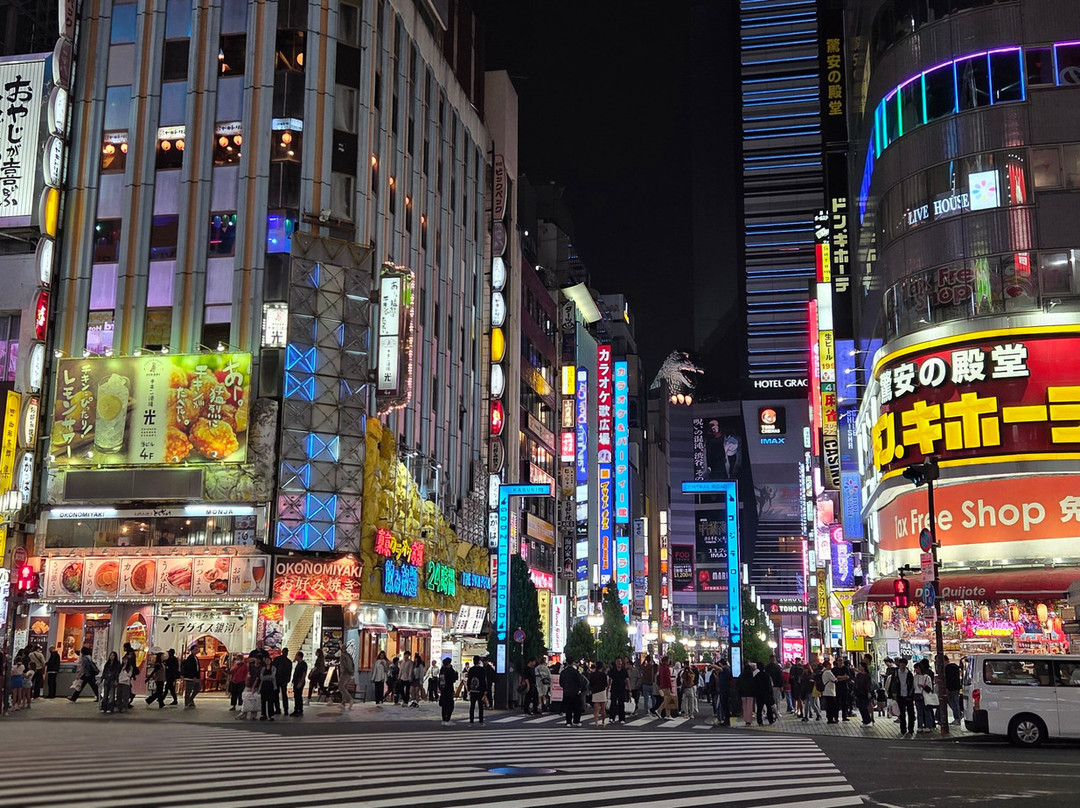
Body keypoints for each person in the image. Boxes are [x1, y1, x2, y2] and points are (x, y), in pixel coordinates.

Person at [888, 657, 917, 737]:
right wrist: (893, 695)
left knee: (911, 713)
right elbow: (893, 684)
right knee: (902, 713)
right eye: (901, 664)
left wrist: (911, 695)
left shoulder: (909, 674)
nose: (902, 665)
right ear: (899, 664)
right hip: (900, 696)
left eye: (904, 664)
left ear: (906, 664)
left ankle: (911, 729)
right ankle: (903, 729)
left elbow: (912, 685)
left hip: (908, 696)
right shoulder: (896, 673)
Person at [915, 659, 937, 732]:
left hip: (925, 696)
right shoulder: (914, 677)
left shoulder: (927, 677)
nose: (916, 670)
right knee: (919, 712)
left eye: (917, 668)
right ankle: (920, 726)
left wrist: (923, 686)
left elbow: (929, 688)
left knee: (926, 711)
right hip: (917, 696)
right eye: (915, 668)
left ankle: (928, 726)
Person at [560, 660, 584, 726]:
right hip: (575, 692)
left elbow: (561, 682)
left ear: (567, 663)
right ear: (572, 663)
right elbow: (580, 682)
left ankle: (568, 722)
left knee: (568, 708)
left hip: (567, 692)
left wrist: (565, 687)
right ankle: (576, 721)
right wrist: (579, 688)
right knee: (577, 707)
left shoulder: (563, 672)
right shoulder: (576, 672)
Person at [609, 657, 630, 723]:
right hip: (614, 689)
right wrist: (607, 688)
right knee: (613, 703)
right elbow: (609, 680)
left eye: (620, 661)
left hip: (622, 689)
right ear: (615, 662)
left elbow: (627, 680)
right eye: (617, 661)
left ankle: (622, 719)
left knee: (621, 704)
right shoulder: (612, 671)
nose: (619, 663)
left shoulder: (624, 671)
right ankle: (612, 717)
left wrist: (629, 690)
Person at [466, 656, 487, 724]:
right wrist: (485, 689)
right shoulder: (481, 669)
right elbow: (483, 680)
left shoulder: (471, 669)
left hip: (472, 690)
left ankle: (471, 721)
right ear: (479, 661)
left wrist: (469, 688)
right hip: (480, 690)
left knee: (472, 706)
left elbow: (469, 680)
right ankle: (481, 721)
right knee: (480, 706)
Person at [272, 647, 292, 716]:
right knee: (284, 695)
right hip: (283, 680)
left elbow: (273, 669)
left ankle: (278, 709)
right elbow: (289, 672)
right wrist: (288, 680)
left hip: (277, 679)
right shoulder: (288, 662)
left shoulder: (277, 659)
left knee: (276, 695)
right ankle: (285, 710)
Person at [438, 657, 458, 724]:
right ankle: (447, 719)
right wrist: (456, 674)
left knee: (444, 705)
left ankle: (444, 719)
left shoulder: (442, 670)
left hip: (443, 690)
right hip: (449, 689)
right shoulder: (449, 670)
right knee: (450, 705)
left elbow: (440, 680)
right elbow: (454, 679)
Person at [589, 661, 609, 727]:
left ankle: (596, 722)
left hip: (595, 692)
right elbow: (606, 684)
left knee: (596, 709)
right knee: (603, 709)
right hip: (602, 691)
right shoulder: (604, 675)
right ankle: (603, 722)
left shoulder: (592, 675)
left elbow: (590, 684)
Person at [944, 655, 962, 726]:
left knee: (953, 703)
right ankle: (958, 717)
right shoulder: (955, 667)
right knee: (955, 703)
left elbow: (949, 679)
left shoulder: (948, 668)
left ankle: (957, 718)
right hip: (956, 688)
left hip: (951, 688)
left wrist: (947, 688)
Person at [820, 659, 839, 724]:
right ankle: (830, 719)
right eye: (830, 664)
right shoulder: (828, 672)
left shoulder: (823, 672)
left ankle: (829, 718)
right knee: (832, 705)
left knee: (828, 705)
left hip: (826, 691)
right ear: (827, 665)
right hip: (830, 691)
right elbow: (835, 679)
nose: (831, 666)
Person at [258, 655, 277, 720]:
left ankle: (271, 715)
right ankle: (263, 714)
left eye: (268, 660)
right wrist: (267, 677)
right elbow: (261, 677)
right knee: (263, 701)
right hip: (263, 686)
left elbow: (272, 677)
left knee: (270, 701)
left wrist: (266, 677)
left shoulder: (273, 668)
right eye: (266, 660)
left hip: (271, 686)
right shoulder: (263, 668)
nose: (267, 661)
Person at [338, 646, 356, 712]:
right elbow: (353, 663)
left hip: (345, 672)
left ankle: (350, 699)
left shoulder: (342, 656)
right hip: (349, 672)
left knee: (341, 686)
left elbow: (345, 665)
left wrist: (349, 671)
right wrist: (352, 671)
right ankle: (343, 702)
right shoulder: (349, 655)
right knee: (344, 686)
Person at [290, 651, 308, 717]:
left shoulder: (303, 664)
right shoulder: (298, 664)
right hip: (296, 681)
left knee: (298, 696)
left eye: (296, 655)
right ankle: (296, 709)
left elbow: (304, 674)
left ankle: (299, 709)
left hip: (299, 681)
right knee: (296, 696)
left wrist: (301, 682)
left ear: (299, 656)